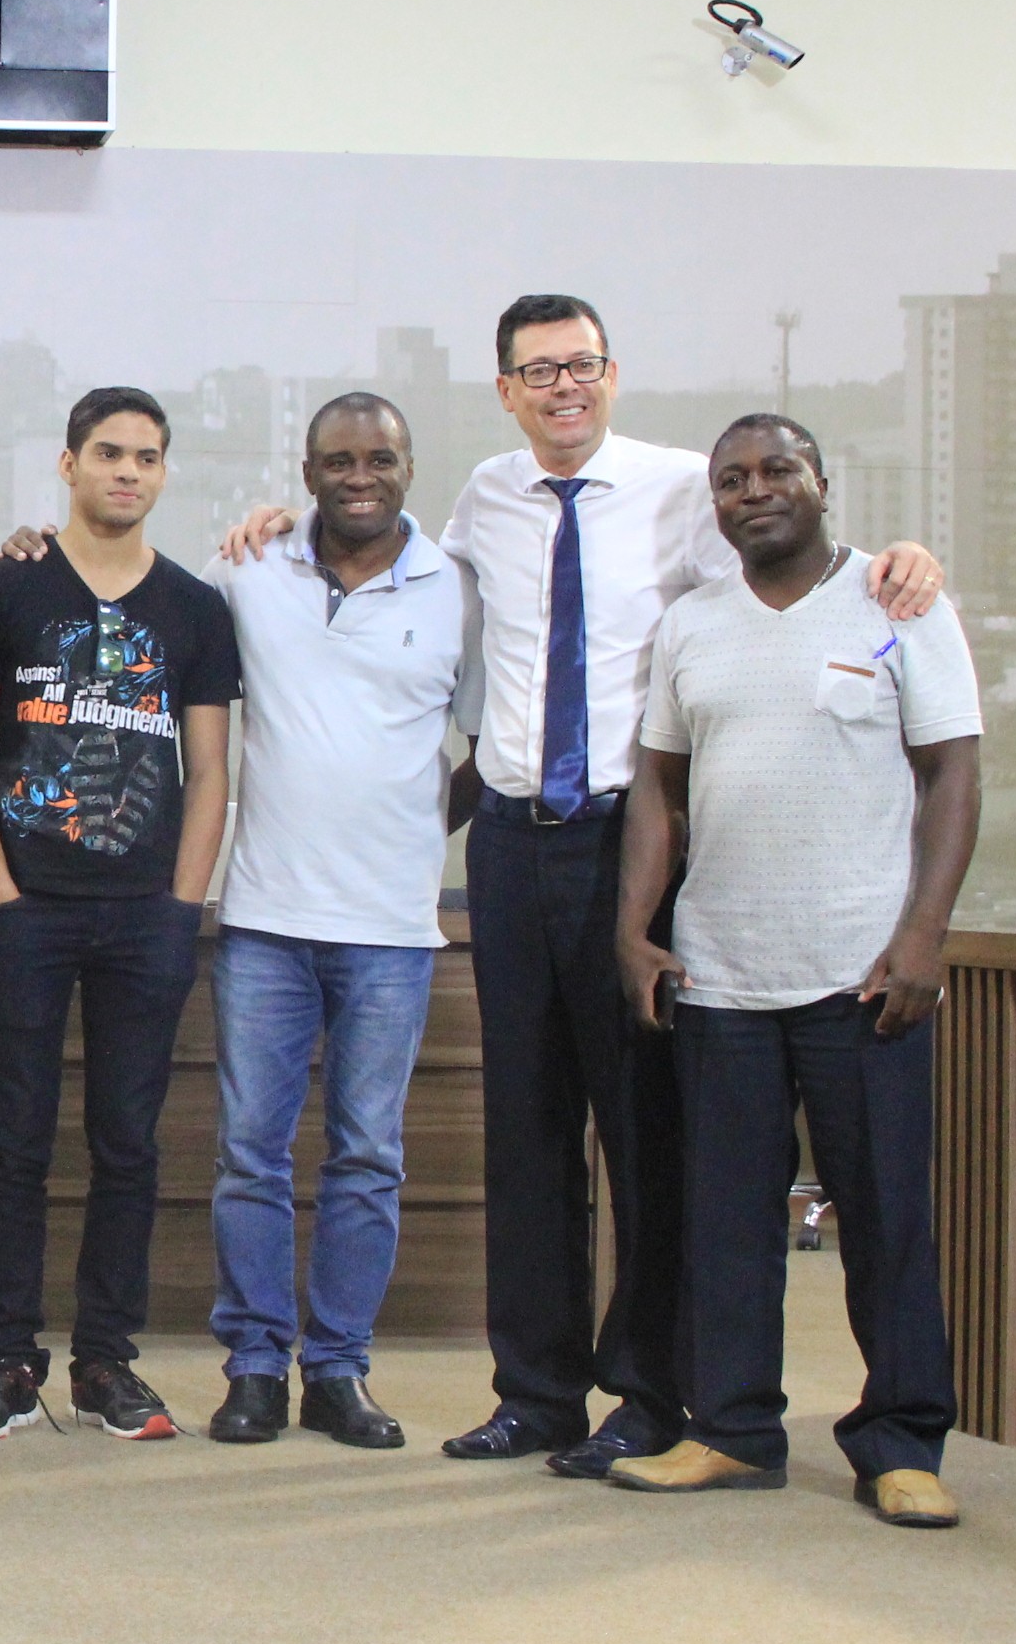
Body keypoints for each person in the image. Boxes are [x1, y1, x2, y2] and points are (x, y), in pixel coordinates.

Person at [228, 297, 943, 1480]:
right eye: (535, 371)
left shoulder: (684, 491)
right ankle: (539, 1393)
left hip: (637, 843)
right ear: (504, 390)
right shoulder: (484, 502)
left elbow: (793, 565)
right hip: (513, 842)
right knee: (530, 1132)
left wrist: (901, 564)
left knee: (645, 1135)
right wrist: (275, 528)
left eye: (580, 365)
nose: (561, 386)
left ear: (610, 374)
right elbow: (402, 613)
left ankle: (655, 1394)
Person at [610, 415, 979, 1524]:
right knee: (725, 1221)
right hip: (721, 973)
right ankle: (732, 1430)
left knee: (884, 1219)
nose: (753, 492)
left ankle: (901, 1441)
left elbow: (953, 773)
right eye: (732, 481)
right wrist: (634, 928)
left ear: (823, 482)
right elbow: (658, 791)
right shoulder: (692, 625)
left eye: (777, 472)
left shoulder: (900, 603)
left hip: (862, 974)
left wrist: (924, 936)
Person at [0, 387, 239, 1441]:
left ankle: (106, 1361)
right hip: (30, 910)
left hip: (145, 917)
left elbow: (209, 772)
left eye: (147, 458)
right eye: (108, 453)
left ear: (163, 474)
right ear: (67, 464)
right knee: (13, 1139)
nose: (127, 472)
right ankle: (6, 1361)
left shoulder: (197, 609)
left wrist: (181, 905)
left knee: (128, 1144)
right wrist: (0, 890)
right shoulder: (2, 590)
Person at [202, 395, 463, 1451]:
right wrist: (30, 547)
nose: (362, 475)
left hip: (393, 932)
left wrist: (401, 831)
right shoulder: (247, 569)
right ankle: (257, 1367)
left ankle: (340, 1371)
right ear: (306, 474)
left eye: (382, 458)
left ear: (410, 467)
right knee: (249, 1156)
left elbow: (486, 751)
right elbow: (136, 612)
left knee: (367, 1158)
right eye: (340, 460)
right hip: (264, 917)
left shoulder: (459, 590)